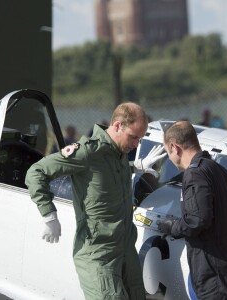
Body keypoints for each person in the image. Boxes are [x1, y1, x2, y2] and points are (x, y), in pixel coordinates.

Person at [25, 102, 164, 300]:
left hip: (125, 249)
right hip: (98, 254)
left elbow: (108, 173)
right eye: (133, 137)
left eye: (139, 139)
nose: (135, 145)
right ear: (117, 126)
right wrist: (48, 213)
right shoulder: (87, 153)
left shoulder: (119, 154)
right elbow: (36, 172)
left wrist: (135, 166)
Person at [157, 121, 227, 299]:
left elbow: (196, 219)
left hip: (218, 280)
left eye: (168, 152)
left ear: (174, 147)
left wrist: (173, 227)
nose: (169, 158)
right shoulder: (221, 172)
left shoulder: (195, 174)